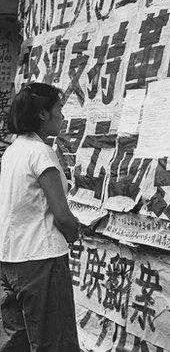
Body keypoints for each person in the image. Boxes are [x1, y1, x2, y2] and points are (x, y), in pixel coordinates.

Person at [0, 83, 80, 352]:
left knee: (17, 340)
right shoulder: (40, 152)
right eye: (59, 108)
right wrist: (74, 233)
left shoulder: (12, 151)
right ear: (43, 114)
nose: (63, 116)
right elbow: (62, 215)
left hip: (10, 260)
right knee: (54, 342)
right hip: (41, 262)